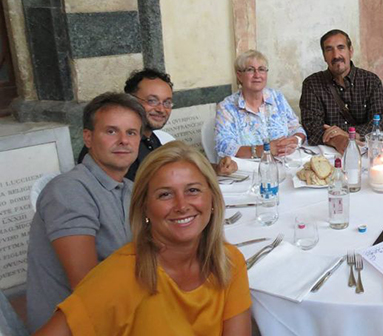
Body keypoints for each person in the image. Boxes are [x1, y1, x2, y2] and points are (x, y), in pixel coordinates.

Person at [34, 141, 252, 335]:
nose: (182, 205)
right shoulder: (120, 275)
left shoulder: (228, 262)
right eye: (165, 194)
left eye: (193, 190)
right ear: (144, 207)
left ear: (213, 199)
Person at [26, 93, 146, 332]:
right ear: (88, 138)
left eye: (131, 133)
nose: (124, 140)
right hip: (77, 325)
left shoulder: (130, 189)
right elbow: (87, 286)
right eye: (111, 131)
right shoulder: (69, 190)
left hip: (118, 307)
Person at [77, 69, 237, 177]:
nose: (161, 109)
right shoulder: (116, 149)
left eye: (167, 102)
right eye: (152, 101)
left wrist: (217, 168)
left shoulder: (152, 139)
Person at [300, 29, 383, 153]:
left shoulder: (371, 81)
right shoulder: (312, 84)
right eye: (329, 50)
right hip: (328, 154)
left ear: (350, 51)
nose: (336, 55)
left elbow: (379, 122)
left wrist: (348, 135)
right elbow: (312, 128)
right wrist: (338, 140)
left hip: (366, 150)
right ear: (324, 56)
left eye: (341, 48)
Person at [215, 50, 306, 159]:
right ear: (239, 75)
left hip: (284, 162)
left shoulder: (277, 98)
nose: (257, 75)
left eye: (261, 69)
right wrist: (264, 149)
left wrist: (296, 140)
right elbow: (223, 147)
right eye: (250, 70)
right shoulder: (226, 107)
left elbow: (296, 128)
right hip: (250, 170)